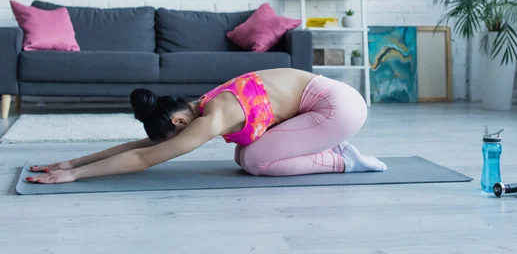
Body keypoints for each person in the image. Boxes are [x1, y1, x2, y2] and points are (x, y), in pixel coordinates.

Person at [25, 68, 387, 184]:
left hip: (339, 109)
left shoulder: (214, 117)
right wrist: (74, 162)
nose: (183, 143)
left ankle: (342, 159)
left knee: (254, 161)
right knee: (247, 153)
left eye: (178, 137)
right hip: (334, 99)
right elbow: (143, 147)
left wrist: (73, 178)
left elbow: (144, 160)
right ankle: (329, 149)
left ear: (181, 121)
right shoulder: (205, 101)